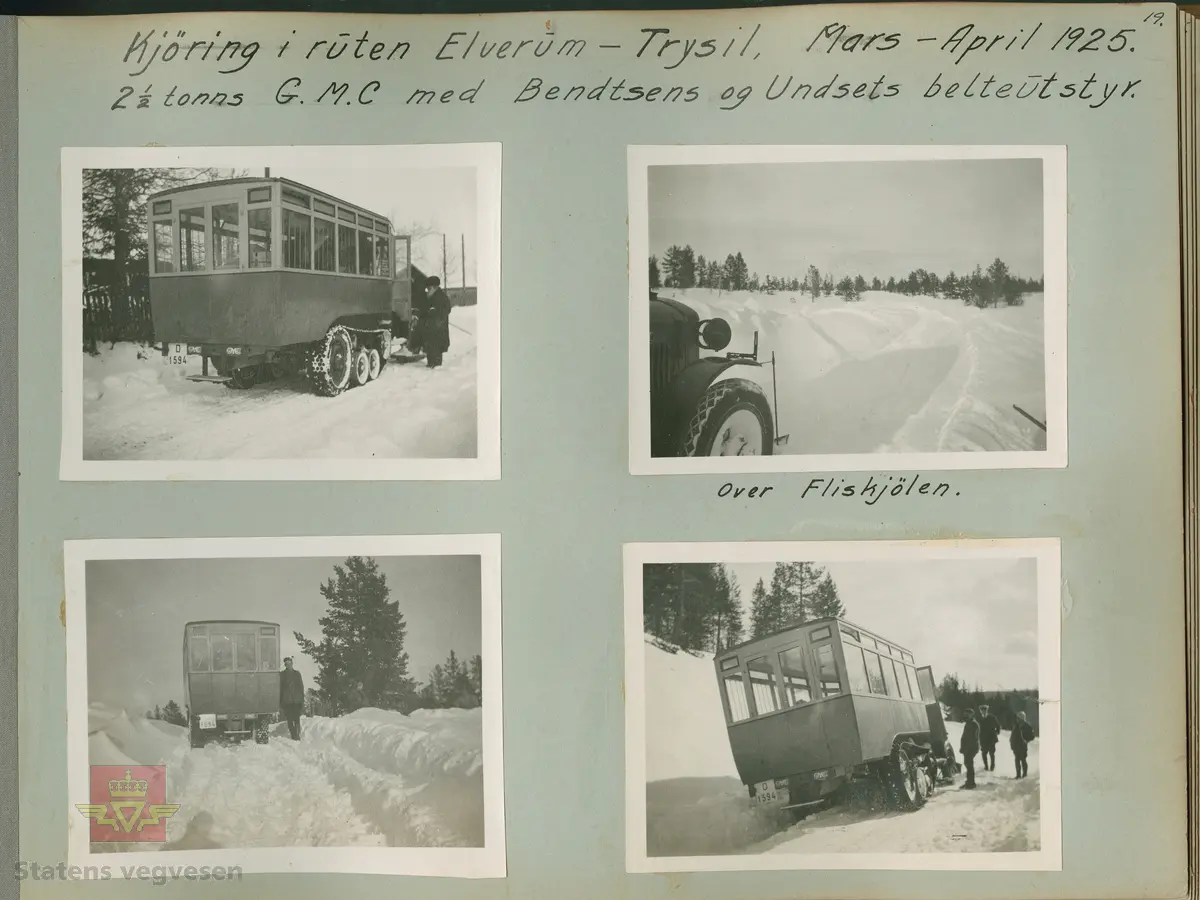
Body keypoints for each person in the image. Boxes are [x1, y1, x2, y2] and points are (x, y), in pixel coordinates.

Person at [421, 276, 453, 369]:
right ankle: (430, 364)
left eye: (429, 288)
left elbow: (447, 309)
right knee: (430, 349)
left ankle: (437, 369)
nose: (428, 291)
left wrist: (436, 312)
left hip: (438, 330)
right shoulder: (429, 298)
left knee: (437, 350)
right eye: (427, 288)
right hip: (430, 329)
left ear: (436, 288)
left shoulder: (442, 297)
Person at [280, 656, 304, 741]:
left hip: (296, 700)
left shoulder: (297, 674)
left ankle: (297, 735)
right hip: (287, 701)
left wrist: (302, 700)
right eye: (287, 664)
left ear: (292, 663)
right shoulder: (282, 675)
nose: (288, 665)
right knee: (290, 720)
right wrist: (280, 702)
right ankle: (294, 735)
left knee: (297, 719)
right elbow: (280, 689)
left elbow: (301, 687)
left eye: (290, 663)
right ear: (285, 665)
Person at [1010, 711, 1036, 778]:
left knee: (1023, 760)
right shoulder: (1016, 726)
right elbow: (1013, 736)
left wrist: (1026, 740)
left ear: (1022, 718)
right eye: (1017, 718)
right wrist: (1012, 744)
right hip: (1016, 747)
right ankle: (1018, 775)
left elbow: (1032, 736)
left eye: (1018, 718)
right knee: (1017, 760)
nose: (1017, 719)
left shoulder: (1027, 726)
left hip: (1023, 747)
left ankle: (1024, 774)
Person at [959, 708, 980, 789]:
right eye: (965, 714)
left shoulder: (974, 724)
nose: (966, 715)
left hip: (972, 747)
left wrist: (967, 748)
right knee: (967, 764)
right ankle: (969, 781)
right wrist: (962, 747)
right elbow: (964, 736)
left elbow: (973, 738)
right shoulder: (968, 723)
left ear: (972, 715)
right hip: (967, 748)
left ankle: (971, 783)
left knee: (969, 764)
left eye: (968, 714)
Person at [979, 704, 1001, 772]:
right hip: (983, 739)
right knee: (984, 753)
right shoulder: (979, 719)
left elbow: (998, 725)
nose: (983, 712)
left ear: (987, 710)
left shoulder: (992, 717)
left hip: (991, 739)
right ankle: (986, 766)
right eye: (982, 710)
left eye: (985, 710)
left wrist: (997, 732)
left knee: (991, 753)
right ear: (980, 711)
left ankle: (992, 766)